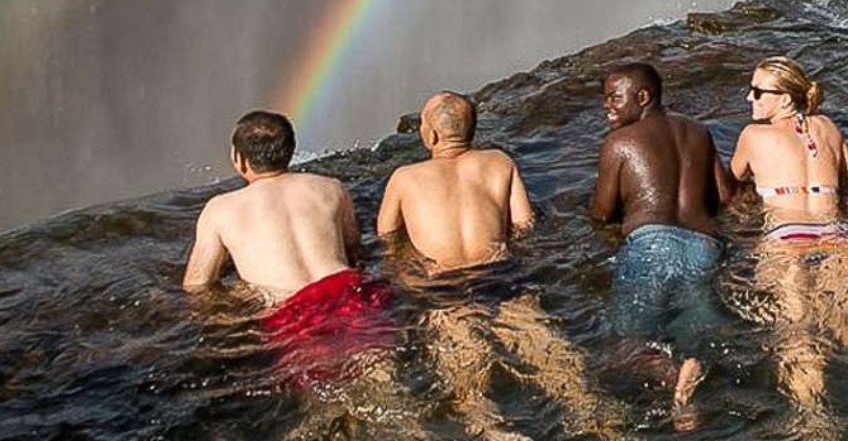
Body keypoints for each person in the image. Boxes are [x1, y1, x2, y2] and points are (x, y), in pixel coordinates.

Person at [378, 91, 611, 438]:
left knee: (468, 389)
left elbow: (387, 237)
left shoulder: (404, 177)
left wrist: (408, 275)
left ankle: (500, 433)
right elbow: (525, 224)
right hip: (501, 276)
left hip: (444, 287)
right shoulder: (500, 162)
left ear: (431, 135)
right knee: (560, 367)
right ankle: (602, 425)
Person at [183, 110, 395, 392]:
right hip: (349, 289)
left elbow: (197, 285)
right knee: (381, 376)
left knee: (323, 395)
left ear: (240, 160)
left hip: (292, 310)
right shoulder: (331, 188)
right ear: (291, 150)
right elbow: (355, 251)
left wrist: (237, 298)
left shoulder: (219, 209)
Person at [728, 55, 848, 412]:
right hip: (837, 232)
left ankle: (813, 417)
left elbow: (731, 182)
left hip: (787, 233)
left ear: (784, 99)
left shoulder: (753, 135)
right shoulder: (828, 125)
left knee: (797, 329)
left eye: (756, 91)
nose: (749, 99)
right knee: (843, 312)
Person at [590, 62, 734, 424]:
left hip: (651, 244)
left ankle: (671, 375)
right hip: (706, 245)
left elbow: (602, 213)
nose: (607, 106)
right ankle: (689, 391)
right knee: (696, 334)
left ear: (642, 97)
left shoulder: (620, 142)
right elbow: (725, 196)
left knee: (626, 344)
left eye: (614, 98)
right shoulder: (700, 132)